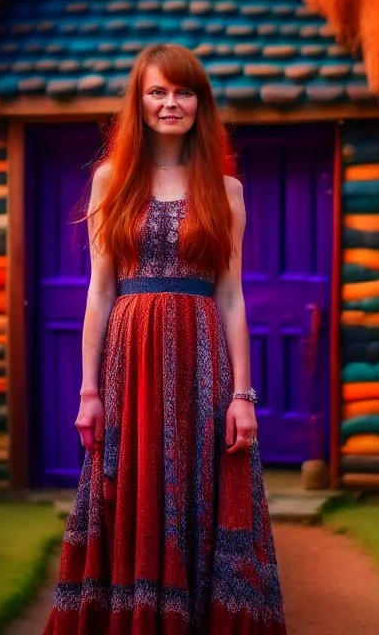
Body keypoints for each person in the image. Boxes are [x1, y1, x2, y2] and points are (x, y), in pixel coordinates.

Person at [44, 44, 287, 634]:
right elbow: (99, 292)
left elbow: (231, 296)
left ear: (199, 104)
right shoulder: (112, 180)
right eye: (158, 92)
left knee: (204, 490)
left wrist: (243, 396)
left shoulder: (225, 190)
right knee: (131, 487)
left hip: (204, 361)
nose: (170, 103)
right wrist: (87, 391)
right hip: (130, 364)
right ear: (140, 101)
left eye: (183, 92)